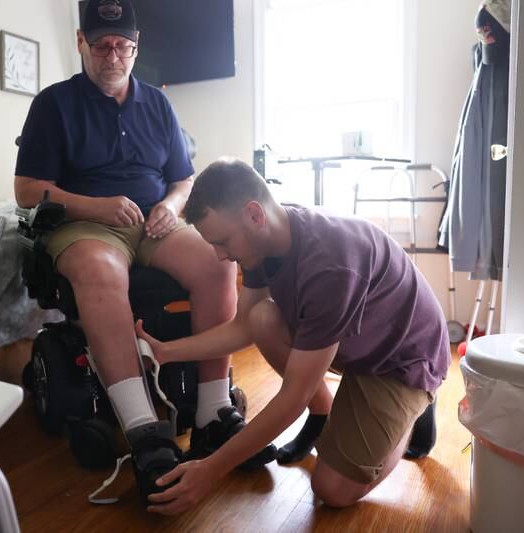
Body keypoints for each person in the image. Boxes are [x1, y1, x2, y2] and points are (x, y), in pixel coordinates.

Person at [13, 0, 276, 503]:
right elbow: (27, 189)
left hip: (152, 223)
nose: (113, 57)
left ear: (136, 48)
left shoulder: (157, 103)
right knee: (99, 269)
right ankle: (144, 432)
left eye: (124, 47)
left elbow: (182, 177)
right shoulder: (53, 103)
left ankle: (212, 414)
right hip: (86, 224)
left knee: (217, 260)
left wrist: (172, 206)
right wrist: (97, 205)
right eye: (103, 46)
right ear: (82, 44)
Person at [136, 158, 450, 515]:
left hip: (402, 359)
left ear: (255, 215)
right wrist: (166, 352)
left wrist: (211, 469)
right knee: (262, 317)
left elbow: (293, 395)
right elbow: (242, 328)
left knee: (331, 489)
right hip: (359, 340)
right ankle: (325, 413)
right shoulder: (267, 240)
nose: (221, 257)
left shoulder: (329, 262)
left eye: (222, 242)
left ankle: (416, 404)